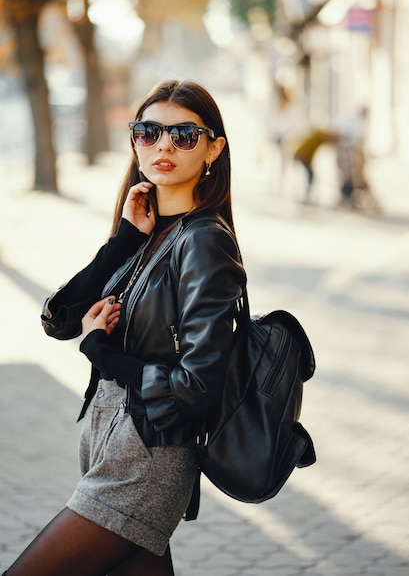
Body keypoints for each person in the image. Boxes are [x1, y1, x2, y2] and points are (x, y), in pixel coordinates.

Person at [4, 79, 246, 576]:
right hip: (111, 439)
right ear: (134, 140)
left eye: (184, 135)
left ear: (213, 149)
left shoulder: (204, 243)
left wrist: (104, 355)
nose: (163, 146)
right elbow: (61, 319)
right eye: (149, 131)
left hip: (148, 455)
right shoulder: (150, 231)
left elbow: (198, 385)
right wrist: (121, 243)